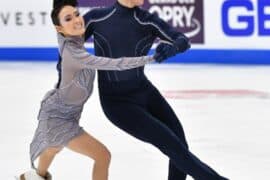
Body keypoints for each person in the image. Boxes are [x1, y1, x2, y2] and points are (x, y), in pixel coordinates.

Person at [76, 0, 229, 179]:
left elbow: (183, 40)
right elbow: (69, 46)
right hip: (117, 104)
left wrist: (174, 48)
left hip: (144, 91)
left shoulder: (147, 20)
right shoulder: (96, 18)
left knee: (179, 142)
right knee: (173, 146)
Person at [17, 0, 156, 179]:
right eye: (68, 19)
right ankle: (35, 175)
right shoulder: (76, 55)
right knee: (102, 156)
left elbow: (60, 10)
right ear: (60, 29)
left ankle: (34, 176)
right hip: (60, 119)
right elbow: (116, 64)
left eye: (76, 14)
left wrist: (63, 8)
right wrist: (150, 59)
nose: (76, 20)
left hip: (60, 111)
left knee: (53, 147)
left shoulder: (69, 39)